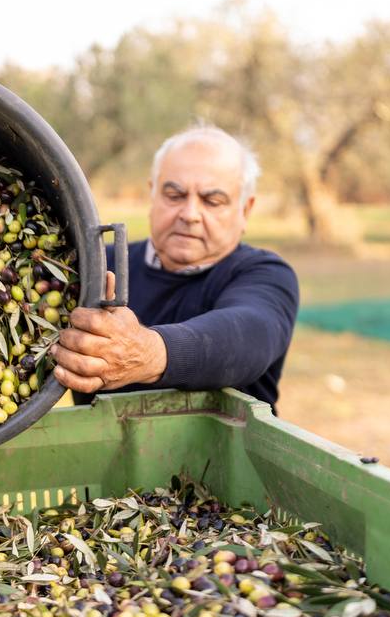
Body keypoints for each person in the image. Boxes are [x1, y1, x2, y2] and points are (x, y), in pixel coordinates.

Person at [53, 125, 298, 409]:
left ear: (245, 210)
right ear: (152, 195)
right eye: (175, 195)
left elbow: (250, 334)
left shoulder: (266, 275)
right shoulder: (96, 268)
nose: (190, 214)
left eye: (212, 201)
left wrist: (147, 353)